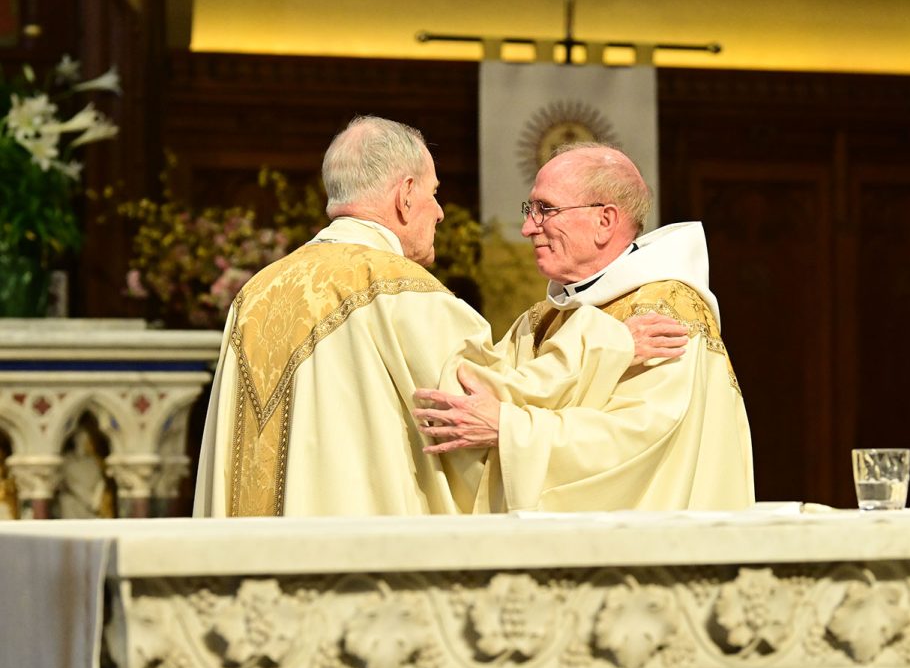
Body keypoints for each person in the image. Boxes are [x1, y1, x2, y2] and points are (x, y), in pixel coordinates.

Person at [193, 117, 687, 517]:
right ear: (405, 195)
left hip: (249, 569)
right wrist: (610, 343)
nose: (439, 212)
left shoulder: (256, 292)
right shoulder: (400, 293)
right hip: (352, 567)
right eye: (432, 193)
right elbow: (487, 399)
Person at [415, 142, 755, 512]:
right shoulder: (541, 318)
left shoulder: (666, 310)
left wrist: (508, 430)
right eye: (531, 210)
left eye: (545, 209)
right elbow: (475, 393)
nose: (528, 227)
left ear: (604, 221)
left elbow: (636, 442)